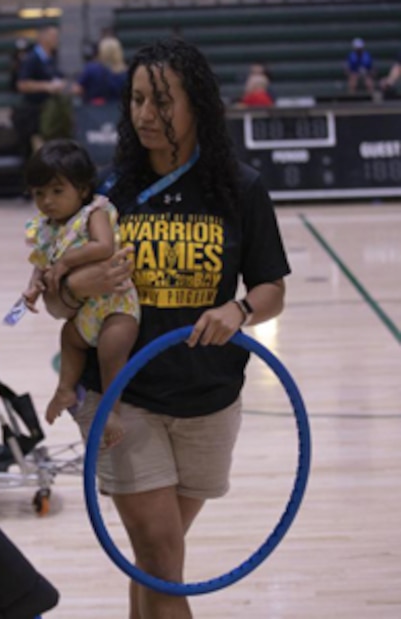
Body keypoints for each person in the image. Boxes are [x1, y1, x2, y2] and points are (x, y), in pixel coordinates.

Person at [44, 38, 290, 618]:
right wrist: (75, 287)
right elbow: (56, 306)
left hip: (209, 396)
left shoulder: (240, 188)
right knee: (159, 553)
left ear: (197, 104)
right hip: (124, 400)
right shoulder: (106, 193)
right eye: (135, 100)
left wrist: (240, 310)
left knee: (158, 561)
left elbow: (273, 289)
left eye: (161, 101)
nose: (146, 115)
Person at [20, 139, 140, 449]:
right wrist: (34, 287)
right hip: (85, 312)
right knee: (70, 338)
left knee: (112, 348)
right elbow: (41, 264)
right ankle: (65, 389)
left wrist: (66, 261)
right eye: (39, 193)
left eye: (57, 191)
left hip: (116, 304)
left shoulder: (94, 212)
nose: (47, 201)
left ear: (83, 190)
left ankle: (111, 411)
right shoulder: (45, 229)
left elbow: (103, 246)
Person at [14, 25, 66, 153]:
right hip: (35, 112)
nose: (56, 40)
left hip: (51, 112)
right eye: (54, 37)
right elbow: (22, 84)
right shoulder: (31, 59)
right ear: (43, 38)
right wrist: (46, 86)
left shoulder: (51, 58)